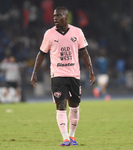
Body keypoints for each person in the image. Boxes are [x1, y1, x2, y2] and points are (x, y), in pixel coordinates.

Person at [30, 6, 95, 146]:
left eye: (58, 16)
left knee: (75, 107)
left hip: (74, 75)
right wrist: (34, 72)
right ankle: (65, 138)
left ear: (66, 17)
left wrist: (91, 71)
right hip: (57, 75)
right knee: (60, 105)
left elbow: (84, 53)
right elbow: (41, 53)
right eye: (54, 16)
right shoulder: (49, 34)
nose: (55, 18)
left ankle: (72, 136)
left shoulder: (77, 32)